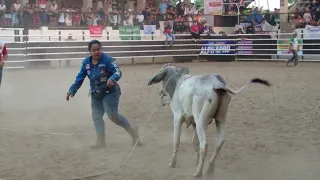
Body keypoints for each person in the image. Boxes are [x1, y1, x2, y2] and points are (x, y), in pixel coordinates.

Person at [66, 40, 141, 149]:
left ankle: (132, 131)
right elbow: (80, 78)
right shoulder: (86, 63)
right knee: (96, 116)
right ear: (90, 52)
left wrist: (112, 79)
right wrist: (72, 90)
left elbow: (117, 72)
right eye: (93, 50)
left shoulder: (108, 60)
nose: (96, 52)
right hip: (95, 94)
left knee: (112, 115)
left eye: (98, 49)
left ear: (101, 49)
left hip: (110, 92)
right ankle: (100, 141)